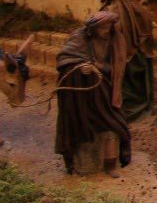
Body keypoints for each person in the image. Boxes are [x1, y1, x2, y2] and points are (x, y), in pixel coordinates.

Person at [54, 11, 130, 176]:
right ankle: (79, 164)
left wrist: (98, 66)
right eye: (102, 27)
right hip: (80, 95)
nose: (106, 30)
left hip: (104, 91)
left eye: (108, 26)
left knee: (113, 123)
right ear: (93, 28)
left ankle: (110, 164)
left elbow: (117, 70)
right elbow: (63, 59)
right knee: (76, 123)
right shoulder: (79, 38)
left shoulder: (116, 41)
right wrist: (79, 68)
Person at [96, 0, 153, 121]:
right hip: (122, 51)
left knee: (128, 83)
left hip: (129, 53)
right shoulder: (112, 6)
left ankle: (129, 106)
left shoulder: (120, 10)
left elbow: (122, 33)